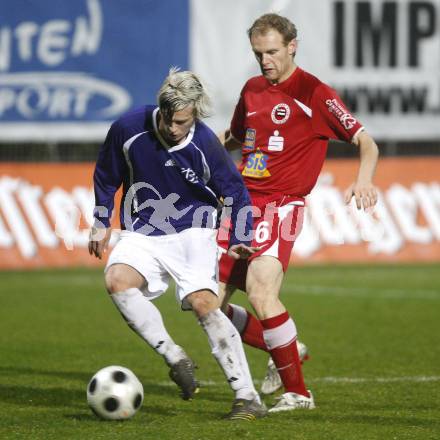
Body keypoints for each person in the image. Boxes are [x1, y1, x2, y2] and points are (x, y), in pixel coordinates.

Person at [217, 13, 379, 412]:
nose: (264, 60)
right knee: (206, 302)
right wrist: (196, 151)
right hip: (240, 204)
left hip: (280, 204)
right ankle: (285, 344)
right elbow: (236, 135)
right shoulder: (252, 89)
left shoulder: (314, 93)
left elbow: (366, 141)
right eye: (258, 53)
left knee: (260, 291)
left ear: (292, 46)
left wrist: (364, 179)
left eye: (271, 51)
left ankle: (298, 393)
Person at [88, 68, 267, 420]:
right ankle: (175, 357)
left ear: (196, 112)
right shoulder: (129, 127)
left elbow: (235, 192)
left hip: (194, 230)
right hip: (142, 228)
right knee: (116, 281)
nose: (173, 128)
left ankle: (248, 397)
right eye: (169, 118)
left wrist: (240, 237)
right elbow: (107, 174)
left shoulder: (205, 144)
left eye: (182, 121)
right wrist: (99, 221)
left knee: (203, 303)